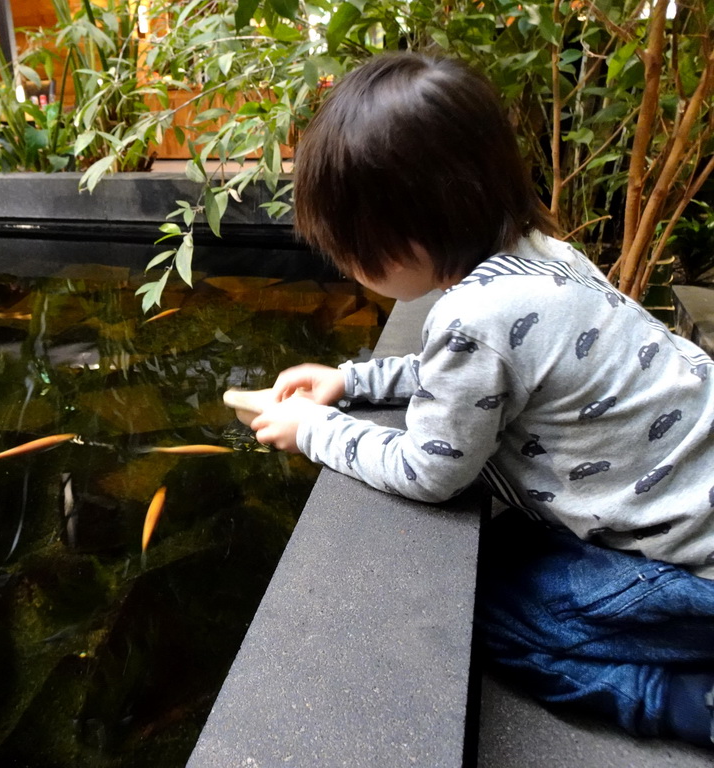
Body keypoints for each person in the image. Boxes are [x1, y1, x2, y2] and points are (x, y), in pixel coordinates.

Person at [250, 51, 714, 749]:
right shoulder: (546, 256)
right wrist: (352, 381)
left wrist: (315, 428)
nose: (344, 261)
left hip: (693, 575)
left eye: (349, 244)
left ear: (410, 229)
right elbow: (470, 373)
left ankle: (681, 700)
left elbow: (429, 471)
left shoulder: (473, 319)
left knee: (483, 613)